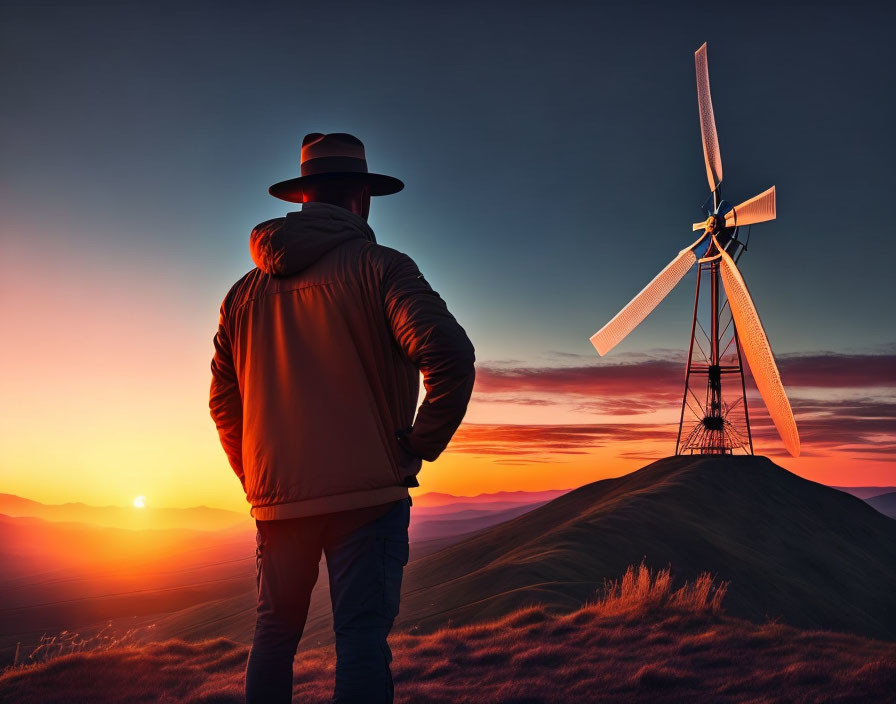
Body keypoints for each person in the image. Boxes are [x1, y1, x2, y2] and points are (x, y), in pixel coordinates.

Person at [208, 132, 475, 703]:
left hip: (278, 500)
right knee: (360, 641)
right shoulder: (382, 269)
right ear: (362, 197)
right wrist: (420, 442)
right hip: (368, 498)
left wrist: (258, 476)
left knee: (274, 635)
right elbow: (448, 353)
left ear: (302, 196)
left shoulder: (242, 295)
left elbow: (222, 403)